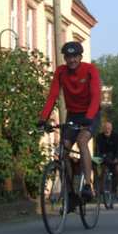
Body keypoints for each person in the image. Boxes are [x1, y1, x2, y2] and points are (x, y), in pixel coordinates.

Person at [38, 41, 101, 203]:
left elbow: (96, 96)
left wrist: (89, 117)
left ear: (80, 57)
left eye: (75, 56)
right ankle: (71, 192)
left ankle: (88, 185)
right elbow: (52, 95)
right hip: (73, 115)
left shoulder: (90, 70)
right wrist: (42, 119)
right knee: (63, 150)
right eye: (68, 57)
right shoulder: (61, 72)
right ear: (64, 58)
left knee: (82, 141)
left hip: (90, 114)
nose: (72, 60)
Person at [95, 121, 118, 199]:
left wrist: (117, 158)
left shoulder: (116, 136)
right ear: (103, 129)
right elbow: (97, 150)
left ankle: (116, 187)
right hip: (103, 158)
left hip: (115, 158)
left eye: (109, 128)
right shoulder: (99, 137)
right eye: (105, 128)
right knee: (102, 172)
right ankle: (100, 190)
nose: (107, 130)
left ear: (111, 129)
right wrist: (97, 158)